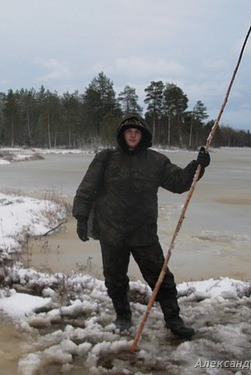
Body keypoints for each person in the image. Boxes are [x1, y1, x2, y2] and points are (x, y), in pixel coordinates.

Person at [72, 113, 210, 338]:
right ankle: (123, 316)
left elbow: (178, 183)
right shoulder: (105, 158)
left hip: (143, 233)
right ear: (122, 135)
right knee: (115, 279)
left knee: (161, 278)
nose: (133, 134)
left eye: (137, 131)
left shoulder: (156, 161)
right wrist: (80, 217)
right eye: (129, 131)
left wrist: (197, 167)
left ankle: (174, 320)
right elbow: (86, 189)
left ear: (143, 135)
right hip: (111, 232)